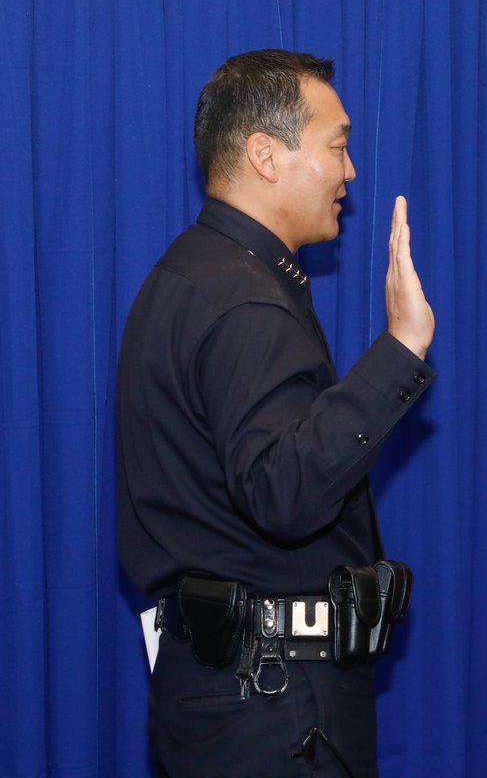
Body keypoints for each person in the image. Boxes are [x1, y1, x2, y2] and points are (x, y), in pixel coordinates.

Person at [116, 49, 435, 777]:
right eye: (338, 145)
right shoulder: (245, 300)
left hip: (225, 702)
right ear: (265, 155)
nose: (350, 172)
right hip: (275, 710)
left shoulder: (186, 275)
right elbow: (283, 493)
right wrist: (401, 347)